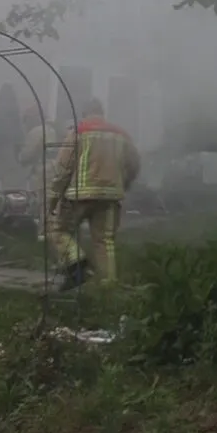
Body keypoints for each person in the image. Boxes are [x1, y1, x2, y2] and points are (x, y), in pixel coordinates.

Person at [46, 99, 142, 291]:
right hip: (110, 196)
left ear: (85, 113)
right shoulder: (121, 135)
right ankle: (108, 287)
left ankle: (78, 264)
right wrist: (124, 183)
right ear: (102, 112)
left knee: (58, 231)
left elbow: (63, 169)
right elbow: (134, 165)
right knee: (104, 240)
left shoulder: (78, 132)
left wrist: (53, 198)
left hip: (78, 195)